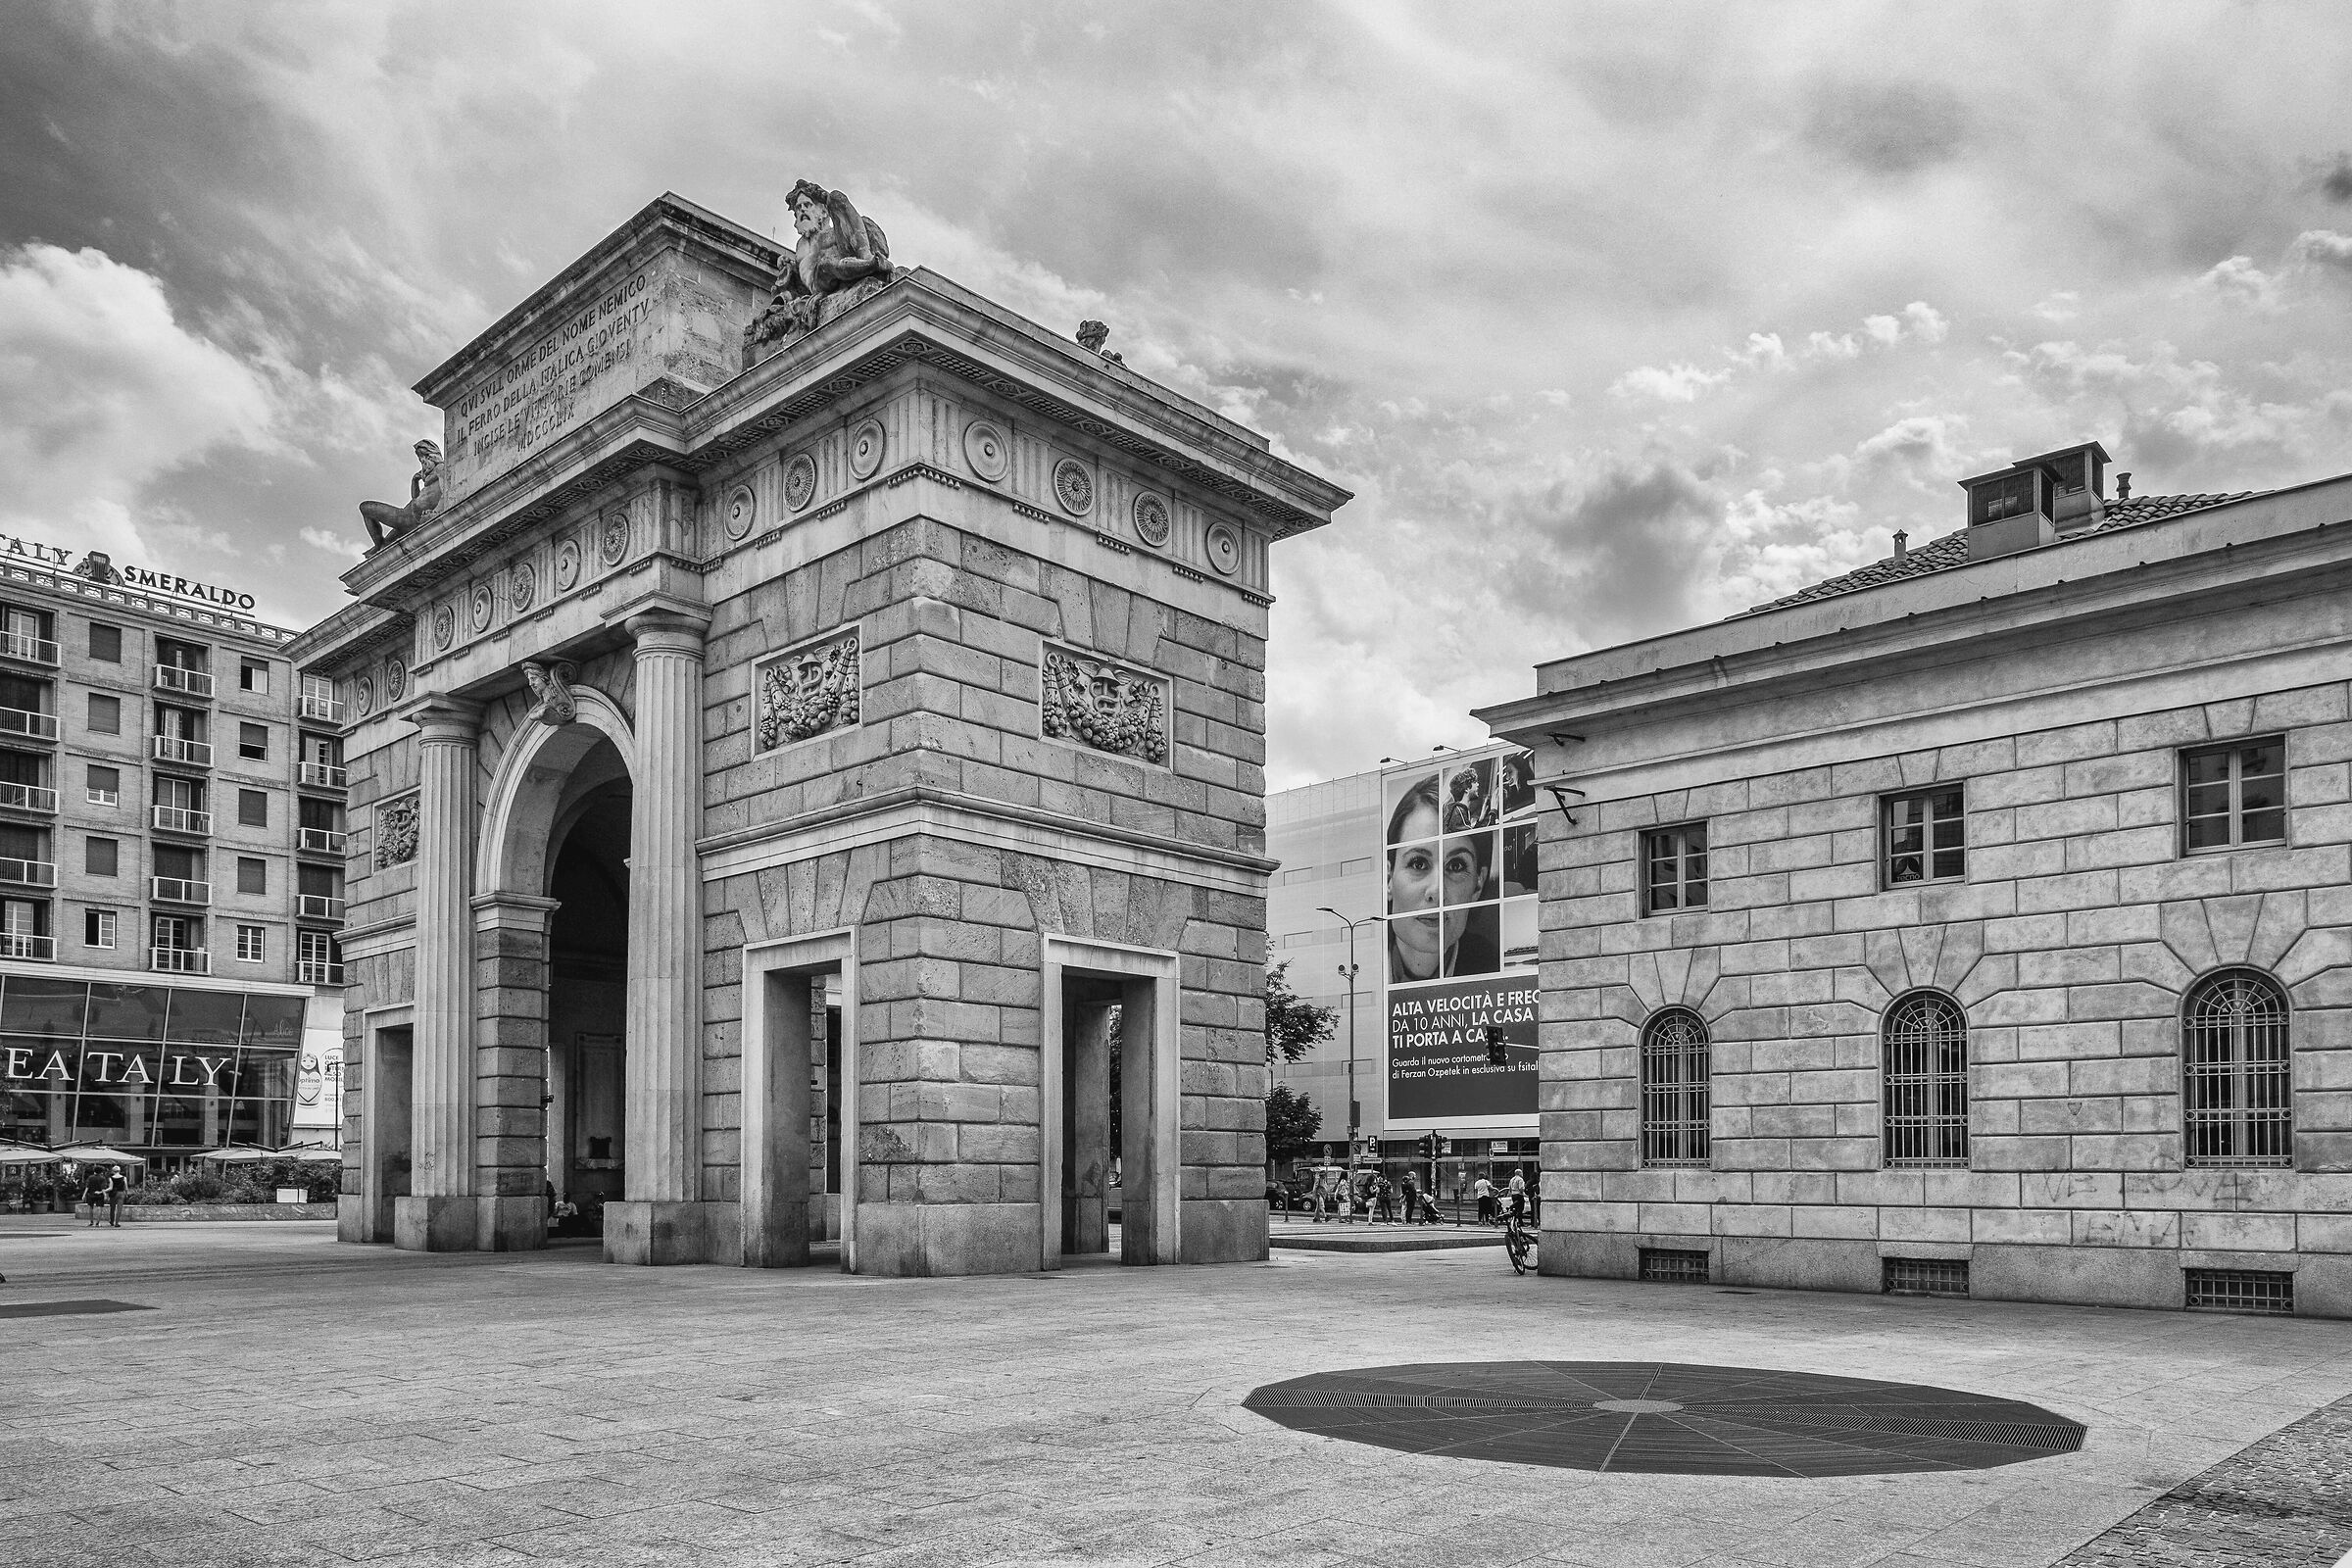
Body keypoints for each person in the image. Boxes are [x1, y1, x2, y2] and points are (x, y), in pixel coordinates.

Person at [1386, 777, 1502, 981]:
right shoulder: (1357, 965)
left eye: (1456, 866)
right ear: (1388, 878)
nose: (1437, 891)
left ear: (1478, 884)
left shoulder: (1494, 968)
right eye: (1418, 864)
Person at [359, 440, 444, 550]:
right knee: (386, 545)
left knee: (366, 507)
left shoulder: (441, 468)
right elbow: (415, 498)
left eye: (426, 457)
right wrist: (414, 481)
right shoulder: (428, 475)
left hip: (410, 518)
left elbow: (446, 491)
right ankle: (379, 547)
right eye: (421, 459)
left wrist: (436, 511)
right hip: (408, 514)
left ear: (433, 456)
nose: (423, 462)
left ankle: (378, 546)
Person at [106, 1164, 127, 1228]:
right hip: (121, 1193)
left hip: (113, 1193)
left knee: (112, 1208)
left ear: (113, 1171)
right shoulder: (124, 1178)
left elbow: (110, 1188)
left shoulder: (111, 1178)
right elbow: (126, 1187)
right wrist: (126, 1193)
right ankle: (117, 1223)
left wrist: (104, 1191)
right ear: (119, 1171)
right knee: (119, 1208)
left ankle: (112, 1221)